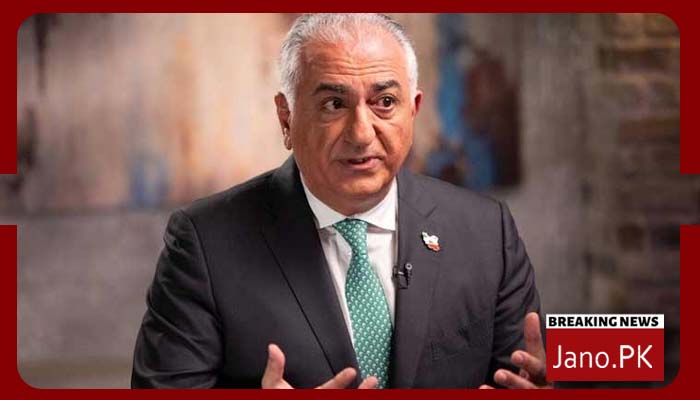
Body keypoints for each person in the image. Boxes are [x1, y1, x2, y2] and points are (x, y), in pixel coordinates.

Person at [131, 13, 550, 389]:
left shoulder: (487, 230)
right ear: (286, 118)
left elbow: (541, 374)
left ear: (413, 109)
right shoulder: (204, 244)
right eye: (334, 104)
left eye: (385, 103)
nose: (361, 133)